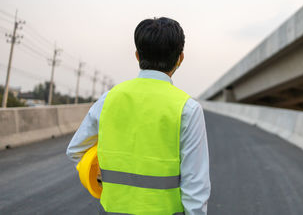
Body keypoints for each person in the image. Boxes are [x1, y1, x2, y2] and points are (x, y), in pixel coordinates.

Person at [66, 17, 210, 215]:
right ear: (180, 58)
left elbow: (76, 150)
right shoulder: (187, 108)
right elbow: (196, 184)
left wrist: (99, 174)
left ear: (137, 55)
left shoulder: (109, 99)